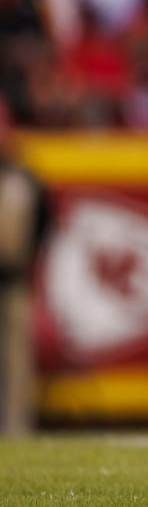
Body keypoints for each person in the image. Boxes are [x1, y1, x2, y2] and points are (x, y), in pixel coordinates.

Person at [0, 103, 54, 437]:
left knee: (17, 364)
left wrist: (40, 289)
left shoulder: (24, 179)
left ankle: (17, 431)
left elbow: (43, 234)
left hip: (15, 282)